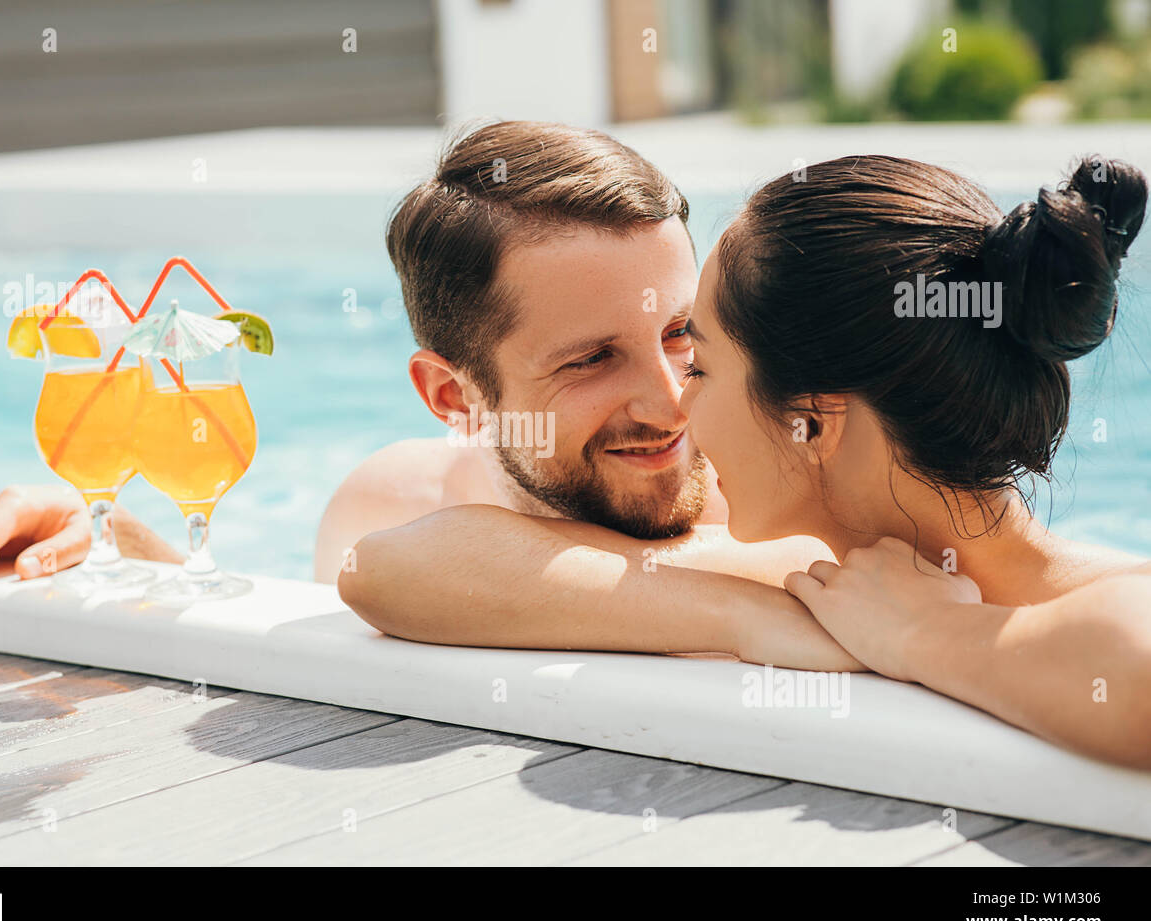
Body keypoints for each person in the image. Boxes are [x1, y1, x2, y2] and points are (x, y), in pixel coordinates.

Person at [0, 121, 858, 671]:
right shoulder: (387, 504)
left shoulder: (790, 493)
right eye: (590, 359)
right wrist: (100, 530)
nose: (670, 399)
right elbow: (259, 657)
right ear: (454, 396)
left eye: (680, 333)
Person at [343, 153, 1151, 769]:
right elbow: (386, 568)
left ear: (812, 423)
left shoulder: (963, 600)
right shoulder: (851, 578)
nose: (675, 411)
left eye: (698, 365)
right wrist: (746, 617)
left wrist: (931, 636)